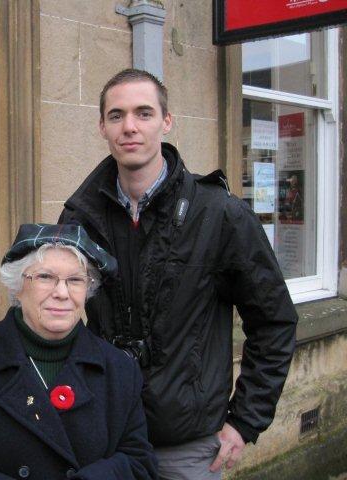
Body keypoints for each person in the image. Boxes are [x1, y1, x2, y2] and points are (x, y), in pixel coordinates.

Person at [59, 69, 298, 479]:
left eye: (144, 113)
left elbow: (274, 322)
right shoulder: (80, 216)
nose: (129, 126)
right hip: (102, 437)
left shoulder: (220, 215)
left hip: (187, 449)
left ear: (166, 122)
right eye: (116, 115)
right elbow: (55, 313)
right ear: (102, 126)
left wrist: (245, 421)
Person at [0, 223, 158, 480]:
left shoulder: (120, 371)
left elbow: (139, 463)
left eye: (75, 280)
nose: (62, 293)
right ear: (17, 286)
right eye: (45, 277)